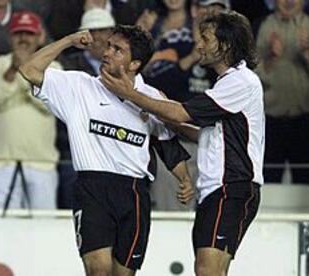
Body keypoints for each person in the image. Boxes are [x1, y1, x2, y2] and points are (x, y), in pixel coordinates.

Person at [19, 25, 194, 275]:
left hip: (134, 191)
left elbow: (165, 142)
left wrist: (184, 178)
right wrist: (67, 39)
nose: (107, 52)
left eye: (117, 49)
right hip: (92, 188)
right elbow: (29, 70)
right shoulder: (79, 86)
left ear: (134, 64)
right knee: (98, 270)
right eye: (109, 45)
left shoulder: (151, 96)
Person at [100, 11, 264, 276]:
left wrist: (130, 94)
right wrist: (166, 117)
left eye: (205, 38)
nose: (198, 45)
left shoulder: (240, 82)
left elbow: (179, 113)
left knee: (207, 269)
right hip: (216, 189)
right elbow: (204, 134)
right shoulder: (228, 83)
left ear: (226, 45)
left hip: (232, 186)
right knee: (209, 270)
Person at [0, 11, 60, 209]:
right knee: (0, 230)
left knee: (44, 230)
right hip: (1, 162)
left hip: (42, 163)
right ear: (10, 37)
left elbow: (51, 104)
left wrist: (23, 72)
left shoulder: (54, 67)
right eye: (18, 33)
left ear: (40, 36)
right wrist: (13, 70)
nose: (24, 39)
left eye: (29, 33)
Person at [255, 0, 309, 211]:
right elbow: (249, 77)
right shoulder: (260, 26)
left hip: (307, 121)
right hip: (269, 122)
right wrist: (272, 58)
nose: (289, 1)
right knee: (264, 182)